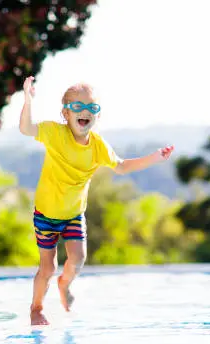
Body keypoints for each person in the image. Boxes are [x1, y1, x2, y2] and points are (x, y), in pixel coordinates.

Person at [19, 76, 175, 325]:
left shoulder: (98, 146)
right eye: (78, 107)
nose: (85, 112)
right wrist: (27, 100)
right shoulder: (54, 133)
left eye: (92, 108)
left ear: (97, 115)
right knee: (47, 268)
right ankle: (36, 309)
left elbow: (121, 166)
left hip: (73, 214)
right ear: (65, 113)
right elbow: (26, 129)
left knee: (78, 259)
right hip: (46, 213)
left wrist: (154, 157)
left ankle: (64, 284)